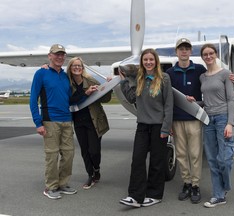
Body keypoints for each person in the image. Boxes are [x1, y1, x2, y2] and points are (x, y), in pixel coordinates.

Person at [119, 48, 173, 208]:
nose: (148, 62)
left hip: (158, 127)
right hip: (142, 126)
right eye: (145, 60)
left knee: (157, 162)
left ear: (156, 61)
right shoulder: (139, 78)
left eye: (151, 59)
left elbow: (169, 105)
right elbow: (131, 98)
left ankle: (155, 195)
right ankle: (135, 196)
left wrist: (166, 128)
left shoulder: (164, 78)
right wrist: (123, 82)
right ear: (142, 62)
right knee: (137, 160)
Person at [30, 44, 77, 199]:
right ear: (50, 55)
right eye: (57, 54)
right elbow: (33, 99)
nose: (60, 57)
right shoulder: (41, 73)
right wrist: (38, 123)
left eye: (62, 54)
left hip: (67, 120)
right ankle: (50, 187)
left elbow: (70, 99)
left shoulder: (65, 76)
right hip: (50, 121)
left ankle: (63, 184)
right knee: (52, 155)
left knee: (68, 154)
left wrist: (87, 93)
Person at [165, 38, 206, 204]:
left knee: (195, 154)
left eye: (187, 48)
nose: (184, 51)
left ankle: (196, 185)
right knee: (181, 154)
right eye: (181, 49)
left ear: (190, 51)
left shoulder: (199, 69)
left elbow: (211, 83)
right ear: (176, 52)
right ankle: (186, 183)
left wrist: (228, 78)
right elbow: (166, 99)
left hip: (194, 119)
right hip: (176, 120)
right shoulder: (169, 73)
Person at [67, 57, 112, 189]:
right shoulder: (68, 84)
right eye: (74, 66)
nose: (77, 68)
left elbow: (105, 98)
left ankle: (96, 169)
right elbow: (70, 100)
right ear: (70, 68)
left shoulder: (91, 80)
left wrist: (108, 86)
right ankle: (90, 175)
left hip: (94, 121)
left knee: (94, 151)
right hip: (78, 122)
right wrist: (85, 93)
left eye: (79, 65)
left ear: (83, 67)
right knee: (84, 151)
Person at [199, 43, 234, 208]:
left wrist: (230, 123)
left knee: (225, 159)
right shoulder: (203, 77)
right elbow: (206, 99)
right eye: (205, 54)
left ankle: (225, 186)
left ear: (215, 55)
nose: (208, 56)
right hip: (208, 119)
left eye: (211, 53)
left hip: (222, 119)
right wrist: (195, 102)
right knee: (213, 160)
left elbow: (230, 100)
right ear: (202, 57)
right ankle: (219, 195)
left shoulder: (226, 74)